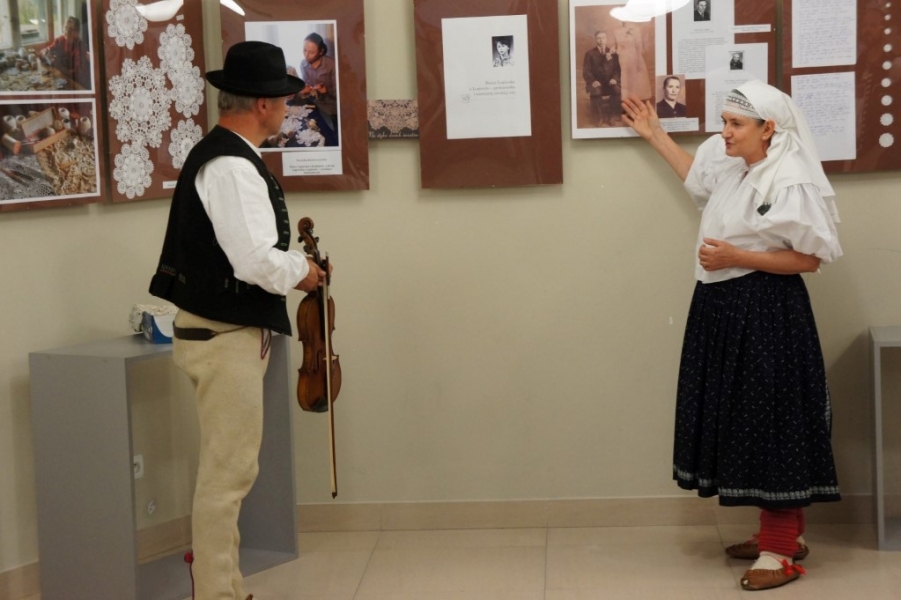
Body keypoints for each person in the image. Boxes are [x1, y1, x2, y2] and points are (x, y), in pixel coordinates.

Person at [621, 80, 842, 592]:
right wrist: (655, 135)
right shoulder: (734, 168)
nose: (724, 132)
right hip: (725, 304)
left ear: (768, 129)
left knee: (772, 421)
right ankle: (782, 535)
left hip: (766, 310)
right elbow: (698, 181)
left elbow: (809, 259)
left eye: (735, 124)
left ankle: (778, 550)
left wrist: (736, 256)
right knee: (745, 417)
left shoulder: (788, 180)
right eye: (724, 121)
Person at [148, 41, 327, 600]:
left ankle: (224, 585)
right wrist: (302, 270)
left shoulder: (228, 156)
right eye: (282, 100)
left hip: (221, 332)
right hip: (223, 338)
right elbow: (252, 261)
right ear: (262, 104)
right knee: (227, 477)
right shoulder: (230, 165)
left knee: (229, 472)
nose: (286, 109)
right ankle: (215, 592)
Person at [293, 32, 338, 144]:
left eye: (311, 52)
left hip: (331, 108)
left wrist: (327, 90)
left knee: (331, 140)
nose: (306, 55)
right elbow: (306, 88)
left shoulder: (332, 65)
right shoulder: (303, 64)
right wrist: (305, 91)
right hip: (313, 105)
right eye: (304, 50)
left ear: (321, 51)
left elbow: (342, 92)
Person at [582, 31, 621, 126]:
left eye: (603, 38)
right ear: (595, 40)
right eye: (599, 38)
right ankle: (598, 118)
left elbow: (617, 69)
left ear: (606, 39)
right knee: (595, 92)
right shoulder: (589, 54)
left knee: (617, 90)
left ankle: (611, 116)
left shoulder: (612, 52)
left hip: (609, 82)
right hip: (596, 82)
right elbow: (586, 71)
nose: (601, 40)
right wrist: (593, 81)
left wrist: (614, 79)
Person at [40, 16, 90, 89]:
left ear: (77, 33)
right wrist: (46, 54)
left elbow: (76, 74)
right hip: (62, 78)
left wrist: (59, 67)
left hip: (77, 84)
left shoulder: (80, 47)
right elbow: (42, 51)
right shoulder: (60, 40)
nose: (67, 32)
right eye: (65, 28)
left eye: (71, 30)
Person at [613, 21, 652, 102]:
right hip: (622, 57)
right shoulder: (616, 30)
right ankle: (626, 97)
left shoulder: (636, 29)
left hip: (633, 55)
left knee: (634, 77)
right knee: (624, 77)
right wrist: (614, 50)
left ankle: (635, 97)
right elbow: (617, 45)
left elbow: (639, 46)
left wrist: (638, 59)